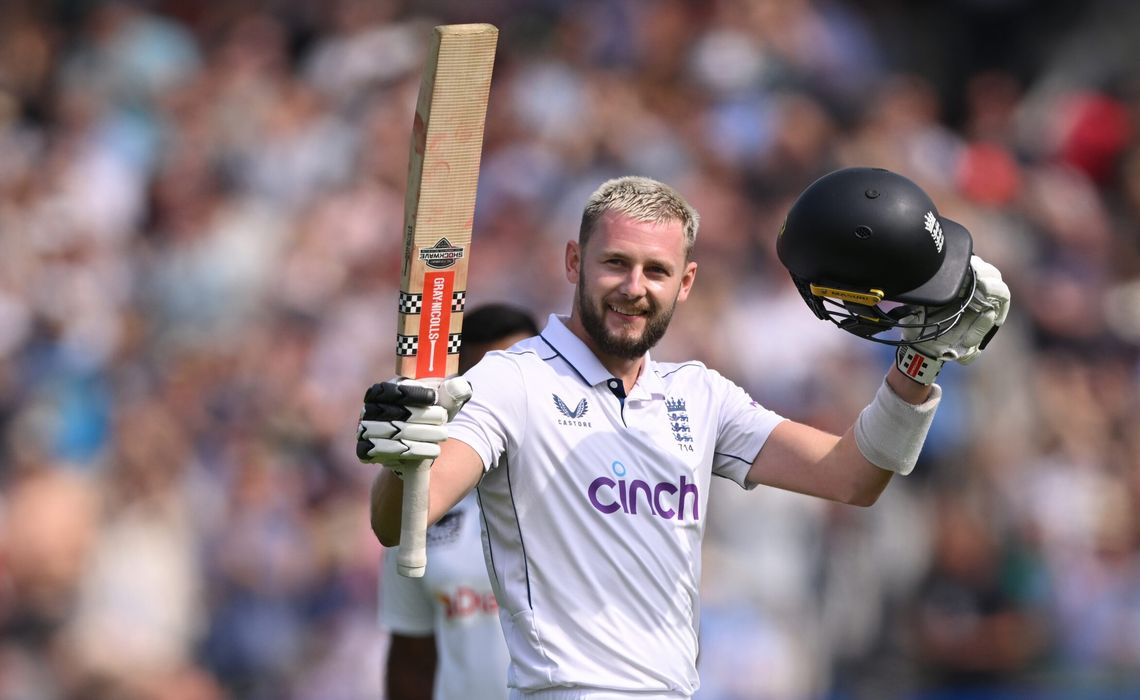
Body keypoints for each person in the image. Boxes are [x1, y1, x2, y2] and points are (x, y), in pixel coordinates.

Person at [358, 170, 1011, 699]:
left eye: (656, 271)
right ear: (572, 261)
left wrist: (919, 363)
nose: (633, 289)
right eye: (614, 264)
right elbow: (404, 521)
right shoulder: (510, 381)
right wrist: (402, 459)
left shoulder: (698, 396)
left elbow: (850, 476)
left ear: (686, 282)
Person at [377, 303, 539, 700]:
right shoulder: (422, 506)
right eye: (486, 385)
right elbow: (411, 660)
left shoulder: (583, 495)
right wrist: (396, 466)